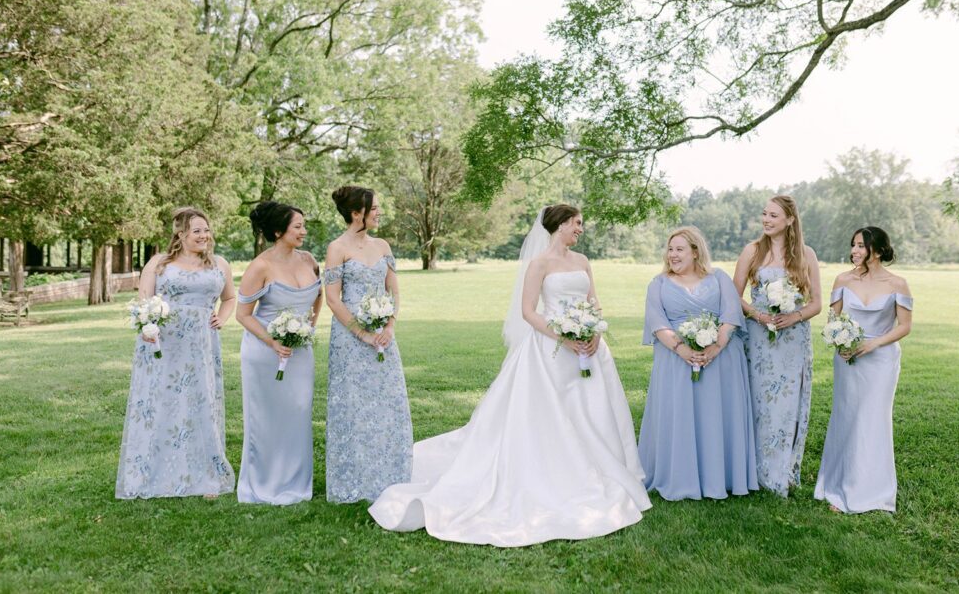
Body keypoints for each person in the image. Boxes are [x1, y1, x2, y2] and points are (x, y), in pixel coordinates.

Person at [367, 204, 651, 547]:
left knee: (594, 410)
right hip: (551, 351)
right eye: (577, 224)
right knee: (552, 416)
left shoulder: (583, 262)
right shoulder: (540, 264)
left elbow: (594, 304)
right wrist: (564, 337)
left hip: (589, 350)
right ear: (560, 225)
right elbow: (529, 312)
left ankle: (604, 468)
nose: (580, 230)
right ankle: (559, 472)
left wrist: (594, 334)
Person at [116, 207, 236, 499]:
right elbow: (144, 301)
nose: (204, 236)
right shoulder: (159, 263)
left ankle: (204, 472)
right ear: (181, 235)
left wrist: (223, 315)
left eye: (206, 230)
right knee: (163, 401)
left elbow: (230, 297)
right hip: (164, 343)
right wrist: (148, 327)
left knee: (199, 401)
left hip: (202, 345)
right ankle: (151, 472)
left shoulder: (219, 264)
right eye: (197, 231)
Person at [639, 227, 758, 500]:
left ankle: (720, 475)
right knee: (680, 414)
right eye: (670, 249)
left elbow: (730, 315)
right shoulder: (658, 283)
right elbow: (657, 323)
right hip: (675, 359)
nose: (672, 255)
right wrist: (681, 349)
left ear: (695, 252)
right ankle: (680, 475)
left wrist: (715, 347)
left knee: (714, 415)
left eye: (679, 249)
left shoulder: (718, 278)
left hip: (720, 358)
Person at [324, 186, 412, 503]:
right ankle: (354, 478)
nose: (379, 213)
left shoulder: (383, 245)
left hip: (384, 338)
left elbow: (394, 292)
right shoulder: (336, 248)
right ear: (356, 213)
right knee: (353, 407)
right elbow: (333, 299)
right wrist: (361, 333)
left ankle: (390, 474)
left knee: (387, 405)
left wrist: (389, 325)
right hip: (350, 340)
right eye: (374, 208)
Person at [815, 226, 912, 513]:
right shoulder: (843, 279)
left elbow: (905, 326)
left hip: (881, 361)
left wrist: (873, 345)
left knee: (873, 420)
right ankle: (838, 486)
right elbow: (832, 321)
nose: (854, 251)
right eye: (853, 245)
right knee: (847, 417)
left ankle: (872, 491)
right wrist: (839, 344)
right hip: (848, 359)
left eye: (861, 246)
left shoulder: (898, 284)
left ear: (878, 250)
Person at [733, 195, 822, 496]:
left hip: (793, 340)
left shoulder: (806, 255)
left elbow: (817, 303)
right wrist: (757, 314)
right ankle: (751, 471)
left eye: (773, 215)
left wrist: (793, 316)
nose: (766, 220)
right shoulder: (753, 251)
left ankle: (779, 473)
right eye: (764, 214)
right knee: (757, 402)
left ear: (790, 220)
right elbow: (734, 296)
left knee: (785, 405)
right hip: (758, 338)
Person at [235, 201, 321, 505]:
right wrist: (273, 342)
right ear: (278, 231)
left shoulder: (309, 260)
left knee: (298, 411)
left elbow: (317, 295)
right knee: (267, 418)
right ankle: (264, 482)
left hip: (300, 351)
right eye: (297, 226)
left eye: (303, 225)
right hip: (264, 352)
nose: (303, 231)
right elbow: (242, 314)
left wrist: (308, 327)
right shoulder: (261, 266)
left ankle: (297, 481)